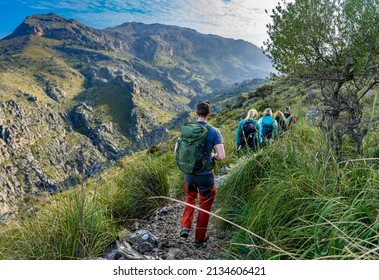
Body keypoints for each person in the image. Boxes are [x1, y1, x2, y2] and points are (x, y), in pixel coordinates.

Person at [175, 101, 226, 249]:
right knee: (204, 204)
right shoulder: (214, 131)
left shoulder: (187, 130)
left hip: (189, 173)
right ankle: (199, 240)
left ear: (196, 113)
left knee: (190, 197)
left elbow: (176, 150)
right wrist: (212, 156)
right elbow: (222, 156)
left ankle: (185, 227)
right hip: (205, 175)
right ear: (209, 114)